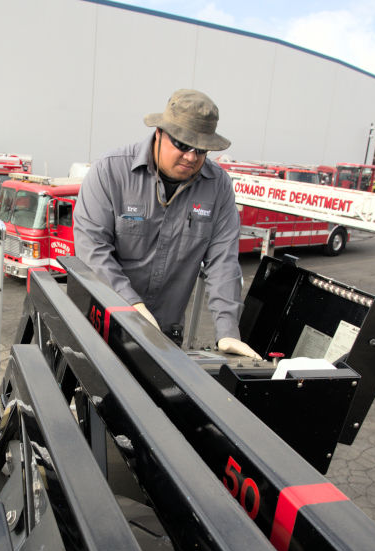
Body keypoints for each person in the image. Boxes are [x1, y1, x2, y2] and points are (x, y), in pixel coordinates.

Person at [73, 88, 260, 358]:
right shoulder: (109, 172)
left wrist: (228, 331)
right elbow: (93, 251)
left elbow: (224, 263)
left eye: (202, 150)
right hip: (102, 326)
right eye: (183, 145)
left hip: (164, 338)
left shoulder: (218, 187)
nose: (191, 157)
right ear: (159, 133)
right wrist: (132, 306)